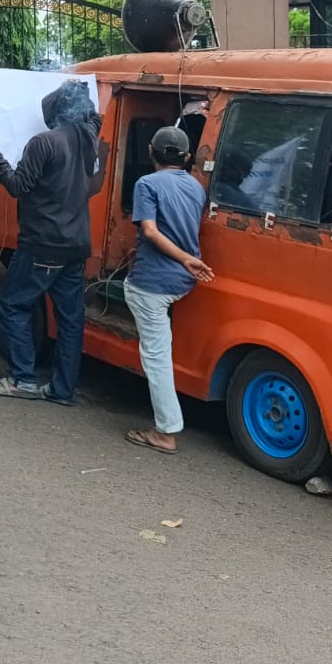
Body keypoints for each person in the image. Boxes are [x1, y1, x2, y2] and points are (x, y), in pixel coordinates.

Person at [0, 81, 107, 407]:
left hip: (42, 242)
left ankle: (23, 378)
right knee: (70, 319)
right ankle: (62, 390)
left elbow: (18, 186)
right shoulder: (88, 137)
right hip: (76, 244)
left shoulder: (43, 143)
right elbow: (95, 118)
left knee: (12, 305)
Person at [122, 126, 213, 455]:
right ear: (187, 158)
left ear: (150, 151)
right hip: (183, 282)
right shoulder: (196, 186)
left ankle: (166, 431)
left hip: (153, 283)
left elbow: (149, 230)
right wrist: (188, 260)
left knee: (157, 357)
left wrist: (186, 258)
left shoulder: (146, 184)